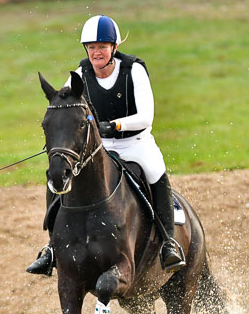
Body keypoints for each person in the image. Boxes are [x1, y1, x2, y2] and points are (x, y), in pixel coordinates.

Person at [27, 14, 186, 276]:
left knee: (156, 171)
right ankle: (52, 248)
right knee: (57, 176)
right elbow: (64, 106)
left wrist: (114, 126)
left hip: (135, 143)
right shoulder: (79, 74)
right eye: (91, 47)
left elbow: (146, 117)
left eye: (102, 46)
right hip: (100, 148)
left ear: (113, 47)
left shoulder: (133, 70)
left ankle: (168, 242)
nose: (96, 52)